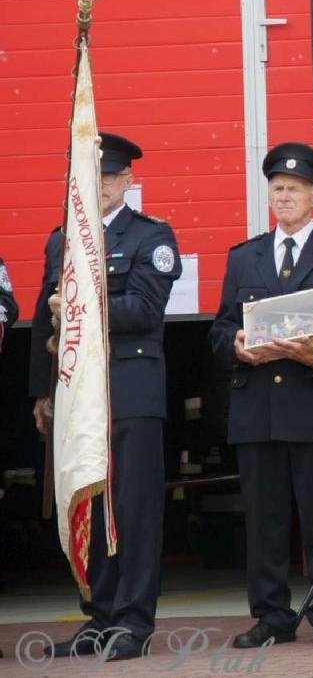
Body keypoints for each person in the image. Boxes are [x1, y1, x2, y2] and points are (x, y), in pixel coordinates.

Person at [28, 133, 181, 661]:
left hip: (130, 390)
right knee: (85, 504)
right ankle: (97, 617)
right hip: (74, 392)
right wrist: (39, 393)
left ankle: (134, 623)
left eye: (110, 177)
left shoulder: (150, 236)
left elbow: (143, 310)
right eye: (91, 178)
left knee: (133, 508)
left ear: (128, 181)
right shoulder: (61, 237)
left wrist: (79, 303)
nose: (101, 186)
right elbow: (38, 322)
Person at [208, 142, 313, 649]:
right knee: (265, 521)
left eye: (294, 190)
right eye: (277, 189)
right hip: (258, 407)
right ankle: (271, 615)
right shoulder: (243, 256)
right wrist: (234, 346)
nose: (283, 197)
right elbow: (220, 329)